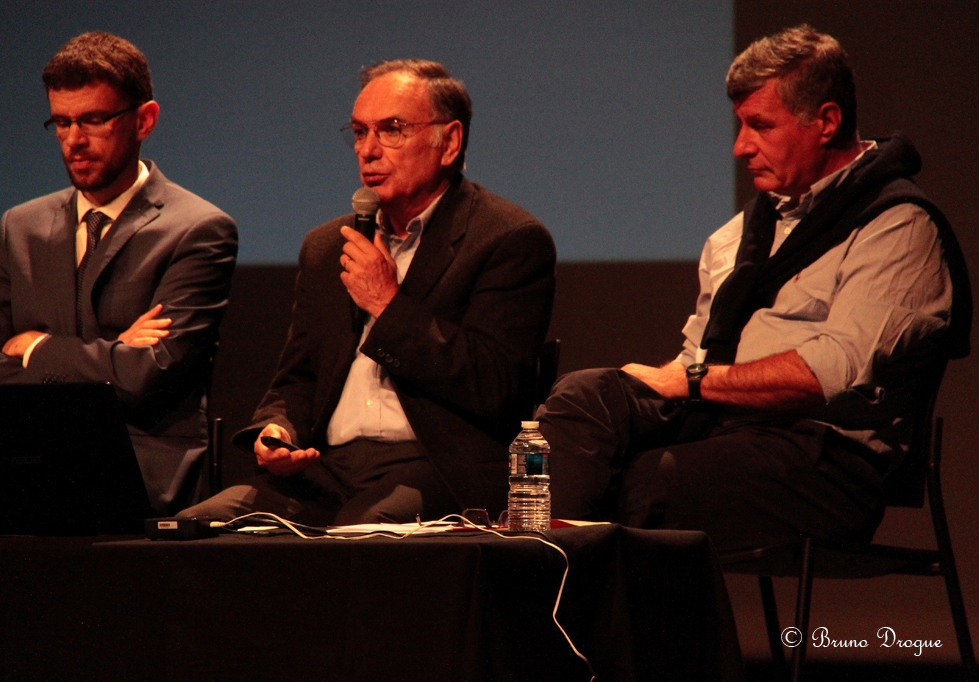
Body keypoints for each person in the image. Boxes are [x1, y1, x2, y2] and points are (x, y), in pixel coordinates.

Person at [538, 25, 970, 551]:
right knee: (585, 397)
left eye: (760, 126)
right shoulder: (736, 237)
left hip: (827, 461)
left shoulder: (896, 226)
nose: (741, 147)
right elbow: (697, 355)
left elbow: (834, 369)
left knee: (649, 480)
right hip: (724, 427)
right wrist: (681, 381)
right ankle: (540, 579)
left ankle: (557, 590)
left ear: (826, 122)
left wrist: (692, 380)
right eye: (740, 125)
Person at [182, 59, 556, 525]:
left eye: (392, 130)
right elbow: (298, 379)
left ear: (449, 142)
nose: (368, 150)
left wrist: (387, 303)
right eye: (360, 133)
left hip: (436, 467)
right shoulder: (327, 247)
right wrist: (279, 429)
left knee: (353, 542)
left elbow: (496, 386)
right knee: (192, 531)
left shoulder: (507, 239)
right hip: (327, 470)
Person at [0, 32, 239, 515]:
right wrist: (112, 355)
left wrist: (35, 347)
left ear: (144, 120)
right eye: (61, 122)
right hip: (24, 470)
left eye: (92, 120)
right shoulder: (22, 226)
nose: (74, 140)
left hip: (140, 483)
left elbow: (148, 375)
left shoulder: (198, 229)